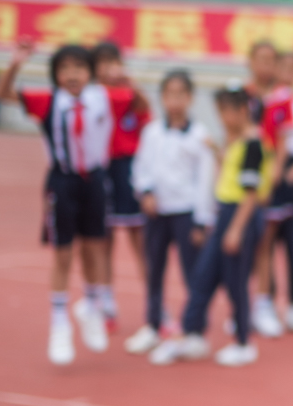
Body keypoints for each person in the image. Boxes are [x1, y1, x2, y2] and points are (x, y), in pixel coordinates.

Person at [0, 38, 135, 366]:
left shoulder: (104, 97)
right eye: (64, 68)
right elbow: (2, 94)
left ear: (91, 72)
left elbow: (138, 105)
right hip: (63, 181)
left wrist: (123, 77)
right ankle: (59, 323)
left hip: (96, 180)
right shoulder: (48, 101)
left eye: (79, 67)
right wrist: (15, 64)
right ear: (55, 73)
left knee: (96, 248)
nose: (72, 74)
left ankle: (93, 308)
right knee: (63, 253)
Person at [150, 86, 272, 368]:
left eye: (224, 112)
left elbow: (251, 194)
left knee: (235, 281)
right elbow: (231, 174)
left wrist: (236, 230)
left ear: (241, 111)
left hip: (238, 217)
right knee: (203, 276)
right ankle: (192, 334)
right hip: (225, 215)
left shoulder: (254, 144)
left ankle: (243, 342)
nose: (220, 118)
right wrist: (218, 151)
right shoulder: (238, 142)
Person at [124, 69, 217, 355]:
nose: (174, 100)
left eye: (181, 94)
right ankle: (153, 325)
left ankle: (195, 329)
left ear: (190, 98)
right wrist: (146, 192)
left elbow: (205, 180)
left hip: (186, 213)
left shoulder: (200, 136)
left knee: (193, 273)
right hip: (157, 212)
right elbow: (141, 167)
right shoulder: (152, 131)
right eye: (169, 94)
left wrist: (202, 221)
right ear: (162, 97)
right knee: (154, 270)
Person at [252, 51, 293, 337]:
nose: (288, 72)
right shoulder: (271, 101)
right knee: (266, 239)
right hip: (273, 170)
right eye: (284, 67)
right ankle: (265, 300)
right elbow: (273, 136)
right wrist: (275, 171)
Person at [93, 41, 152, 332]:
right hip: (102, 169)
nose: (109, 69)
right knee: (104, 241)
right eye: (102, 64)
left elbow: (146, 117)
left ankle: (154, 304)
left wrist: (131, 84)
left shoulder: (131, 97)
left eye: (113, 62)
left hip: (129, 170)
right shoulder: (93, 97)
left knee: (140, 240)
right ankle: (106, 304)